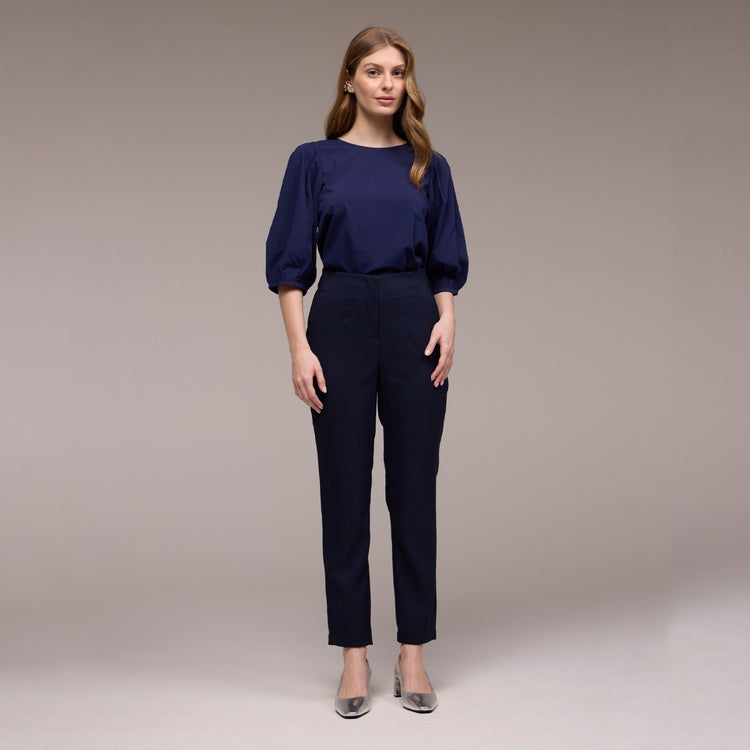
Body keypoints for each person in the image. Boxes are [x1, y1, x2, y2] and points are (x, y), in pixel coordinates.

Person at [265, 26, 469, 717]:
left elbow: (446, 259)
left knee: (414, 488)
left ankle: (413, 651)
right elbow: (291, 265)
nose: (388, 83)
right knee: (344, 489)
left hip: (415, 318)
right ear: (349, 80)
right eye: (375, 71)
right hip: (341, 316)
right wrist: (299, 348)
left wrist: (447, 320)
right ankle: (354, 654)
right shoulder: (313, 161)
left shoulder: (427, 165)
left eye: (398, 72)